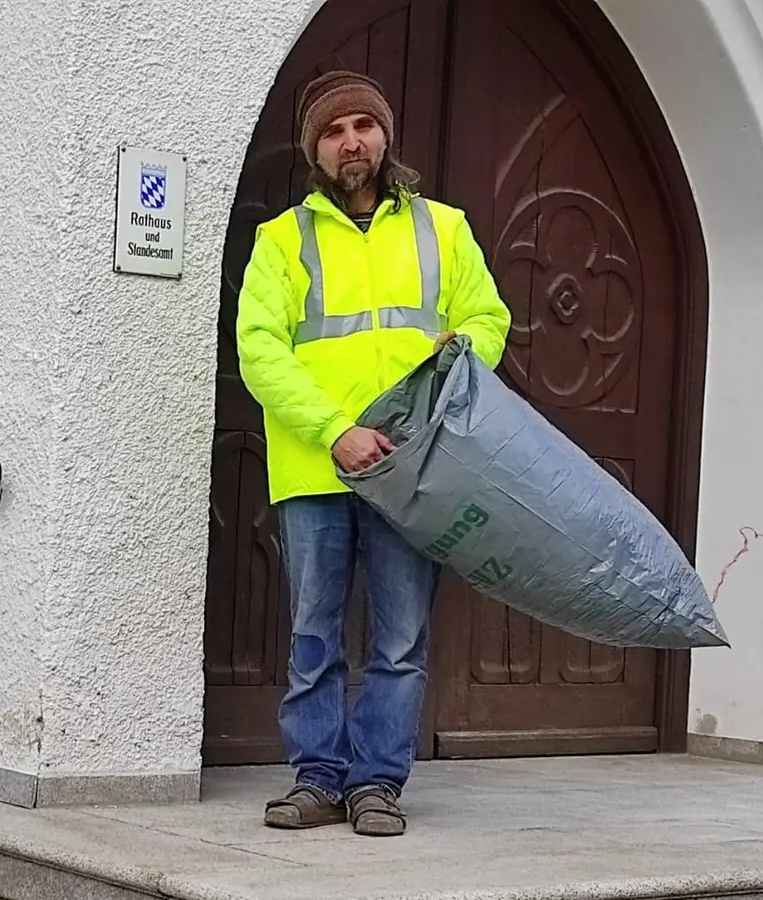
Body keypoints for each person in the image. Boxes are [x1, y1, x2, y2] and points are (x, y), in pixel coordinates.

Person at [236, 71, 512, 837]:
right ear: (314, 151)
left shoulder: (445, 228)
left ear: (386, 136)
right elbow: (260, 352)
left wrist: (459, 353)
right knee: (314, 633)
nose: (351, 141)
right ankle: (318, 780)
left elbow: (488, 319)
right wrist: (337, 431)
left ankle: (377, 785)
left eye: (363, 125)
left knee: (399, 637)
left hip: (413, 469)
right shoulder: (281, 240)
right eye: (333, 131)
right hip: (317, 465)